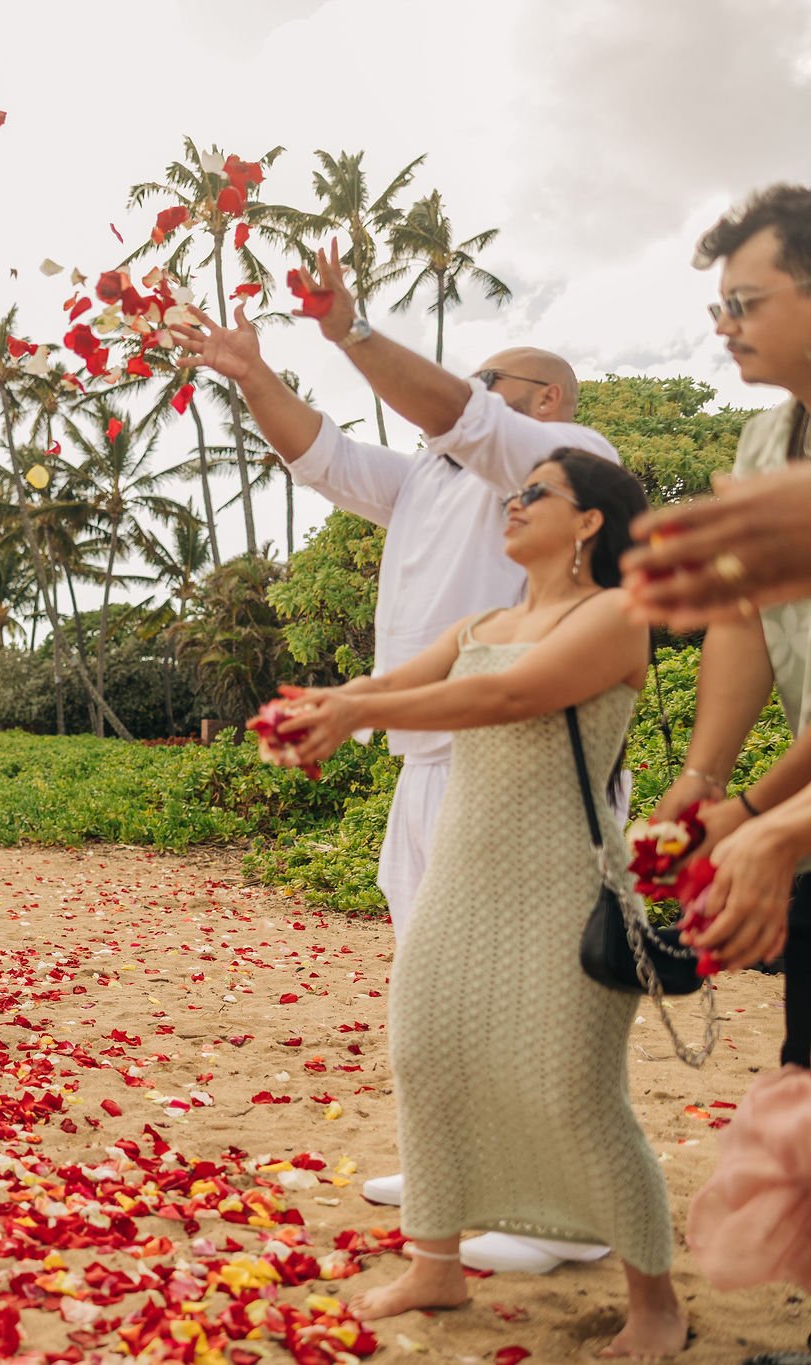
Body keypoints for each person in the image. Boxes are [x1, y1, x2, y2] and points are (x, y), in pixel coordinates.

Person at [173, 243, 623, 1275]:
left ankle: (568, 1217)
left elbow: (454, 416)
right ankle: (455, 1175)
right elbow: (321, 456)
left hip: (518, 766)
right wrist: (252, 377)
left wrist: (349, 331)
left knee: (531, 989)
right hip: (426, 766)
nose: (464, 396)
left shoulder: (561, 454)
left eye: (486, 382)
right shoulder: (434, 478)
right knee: (434, 985)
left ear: (537, 398)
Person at [268, 453, 683, 1357]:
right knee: (427, 1056)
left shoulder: (616, 614)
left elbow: (509, 693)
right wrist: (321, 704)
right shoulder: (483, 620)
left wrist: (356, 717)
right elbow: (389, 682)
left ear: (588, 524)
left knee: (576, 1091)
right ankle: (436, 1260)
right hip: (464, 872)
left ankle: (655, 1300)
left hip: (565, 874)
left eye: (536, 491)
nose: (513, 500)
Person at [617, 186, 811, 1363]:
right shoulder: (760, 441)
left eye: (744, 302)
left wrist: (772, 824)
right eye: (716, 304)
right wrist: (710, 783)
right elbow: (743, 618)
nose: (722, 325)